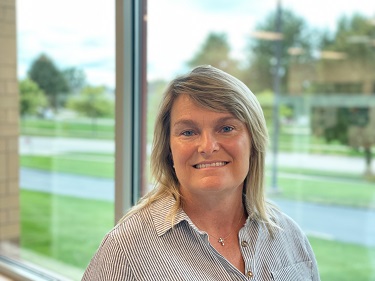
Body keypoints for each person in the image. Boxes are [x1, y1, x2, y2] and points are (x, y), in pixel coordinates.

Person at [82, 65, 320, 280]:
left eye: (226, 128)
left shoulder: (289, 237)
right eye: (188, 132)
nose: (208, 147)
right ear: (168, 150)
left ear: (253, 142)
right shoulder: (127, 249)